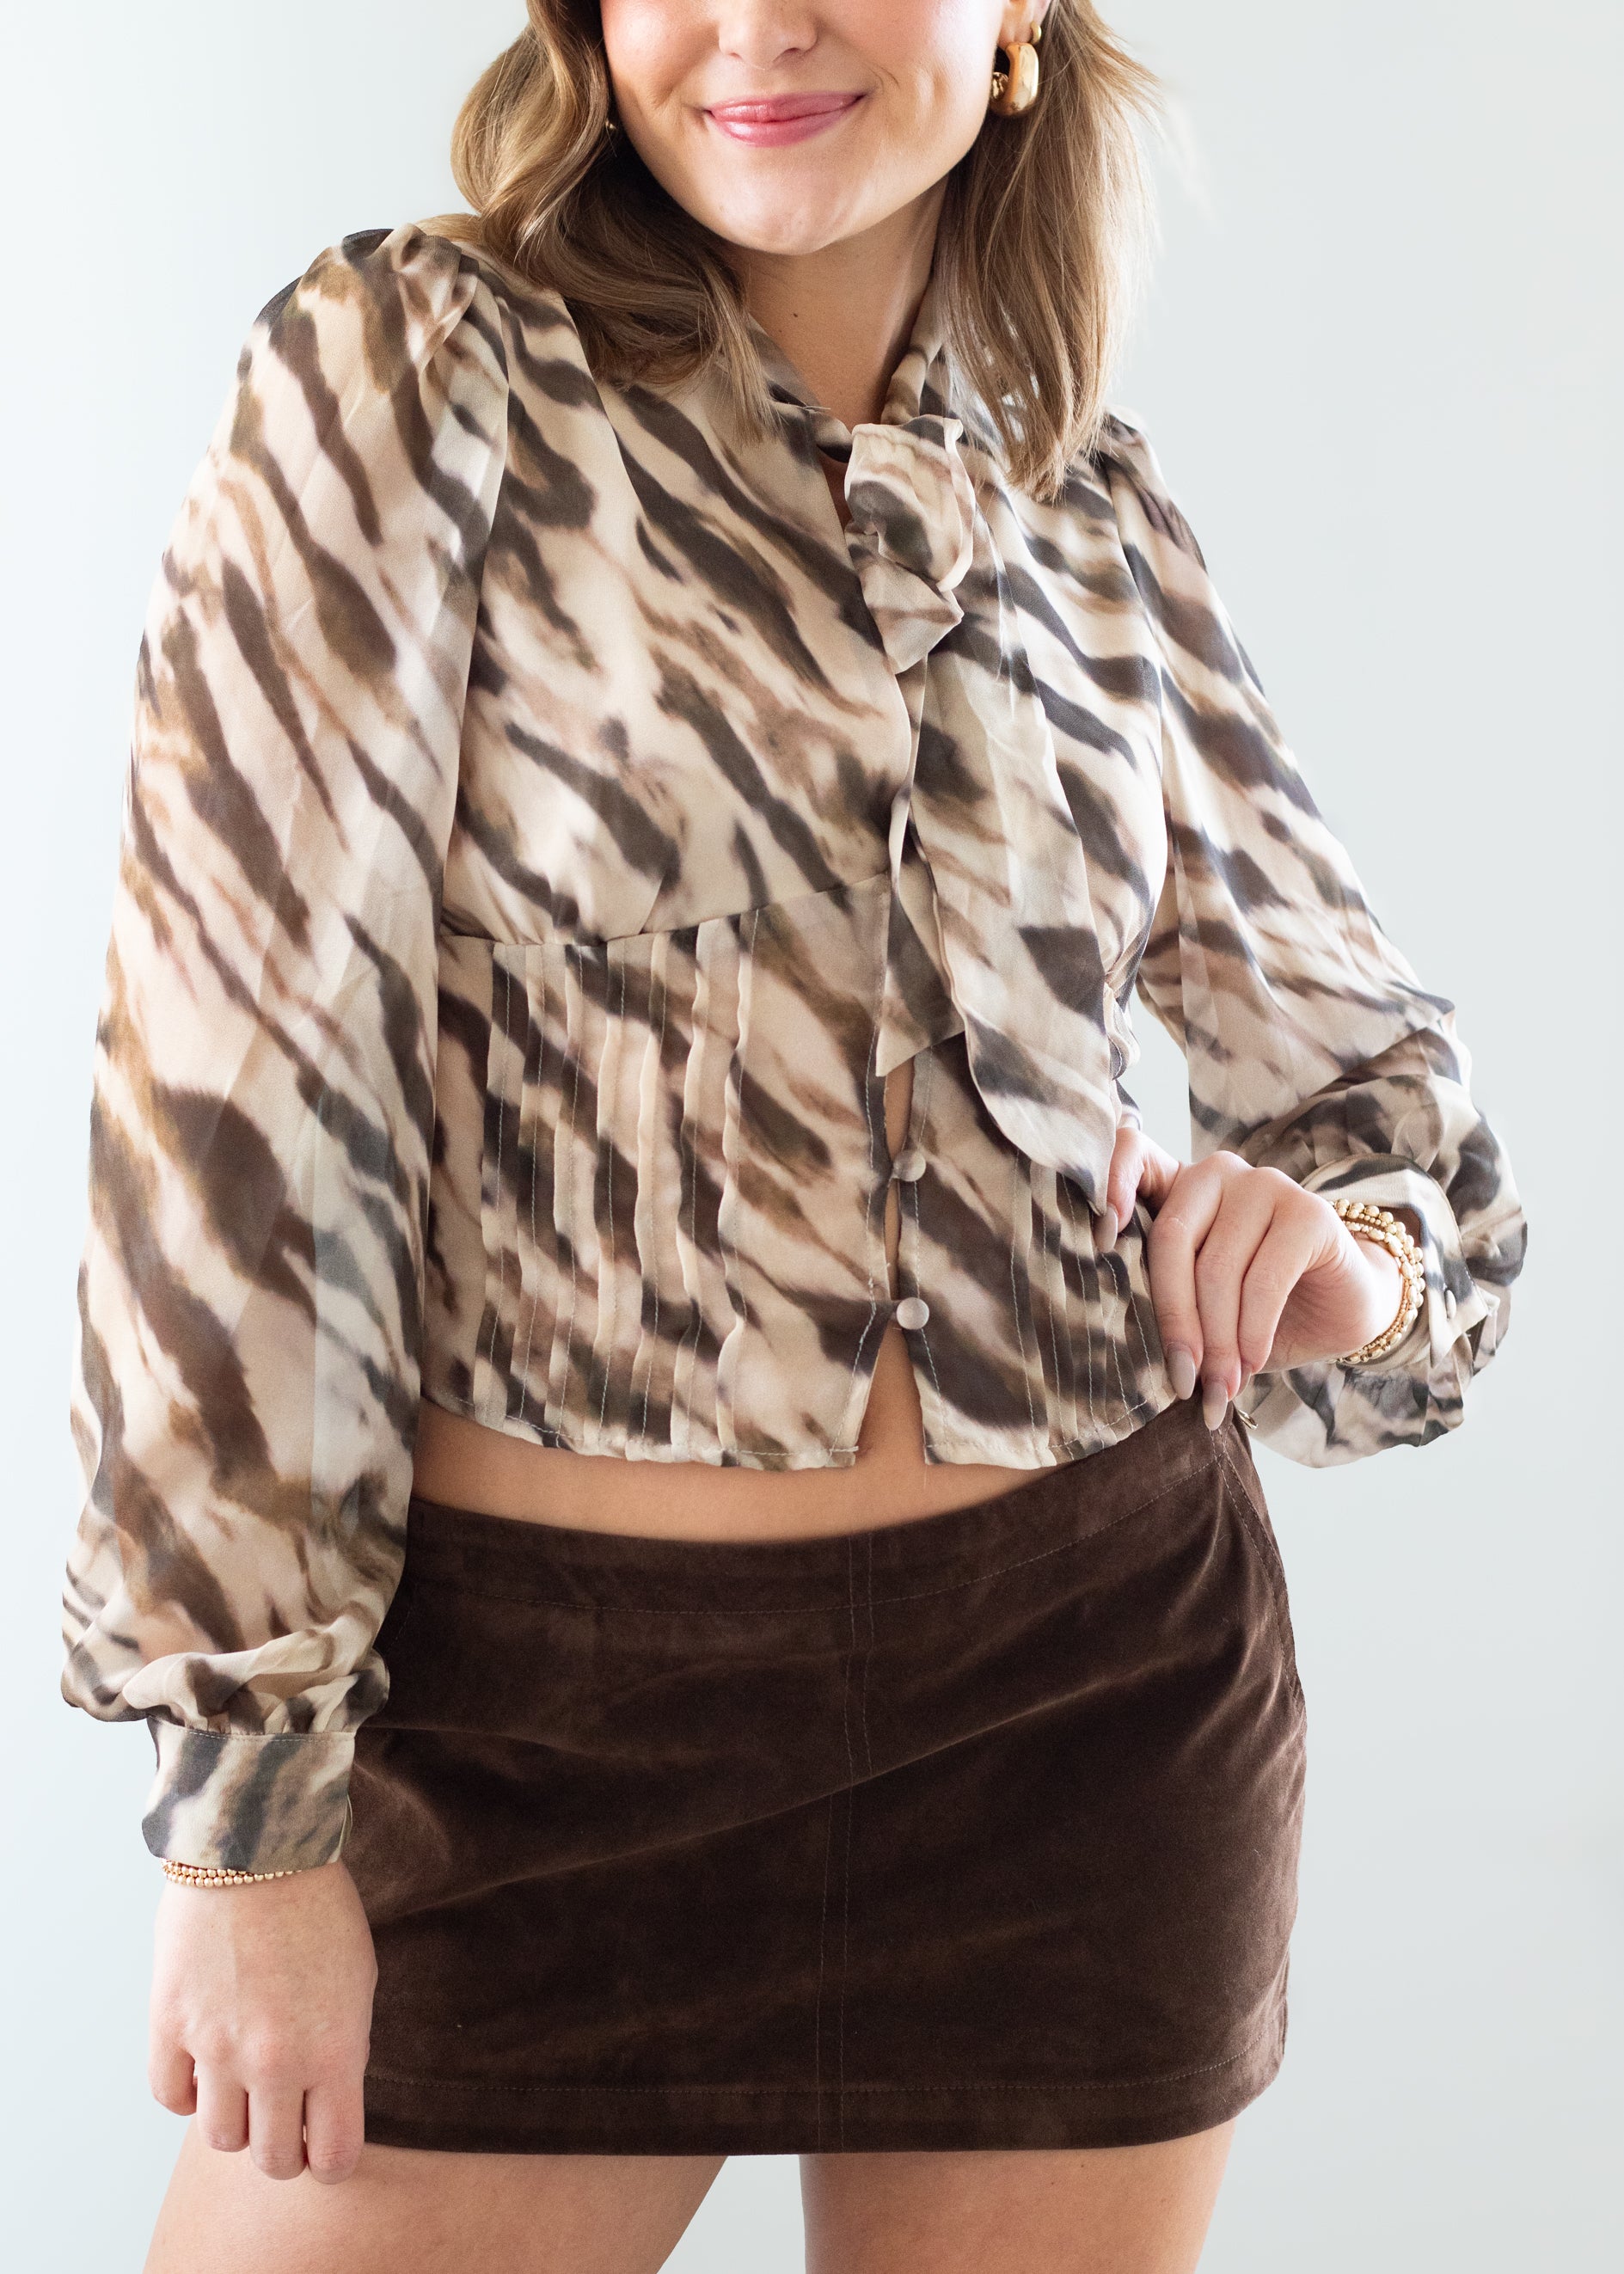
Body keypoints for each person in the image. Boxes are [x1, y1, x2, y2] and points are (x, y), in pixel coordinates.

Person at [62, 4, 1527, 2270]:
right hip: (531, 1739)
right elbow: (236, 1095)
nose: (755, 19)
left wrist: (1346, 1252)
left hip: (1086, 1701)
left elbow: (1378, 1094)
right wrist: (238, 1826)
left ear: (1019, 28)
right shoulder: (409, 372)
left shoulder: (1088, 504)